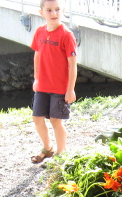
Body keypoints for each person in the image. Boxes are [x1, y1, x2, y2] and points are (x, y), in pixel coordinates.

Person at [30, 0, 78, 164]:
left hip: (60, 88)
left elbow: (73, 64)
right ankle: (47, 148)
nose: (54, 13)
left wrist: (70, 89)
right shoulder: (39, 31)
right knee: (37, 118)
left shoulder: (66, 35)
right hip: (43, 85)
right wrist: (36, 78)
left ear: (63, 10)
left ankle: (61, 152)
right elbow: (37, 55)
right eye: (49, 10)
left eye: (57, 9)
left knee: (56, 120)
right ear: (41, 12)